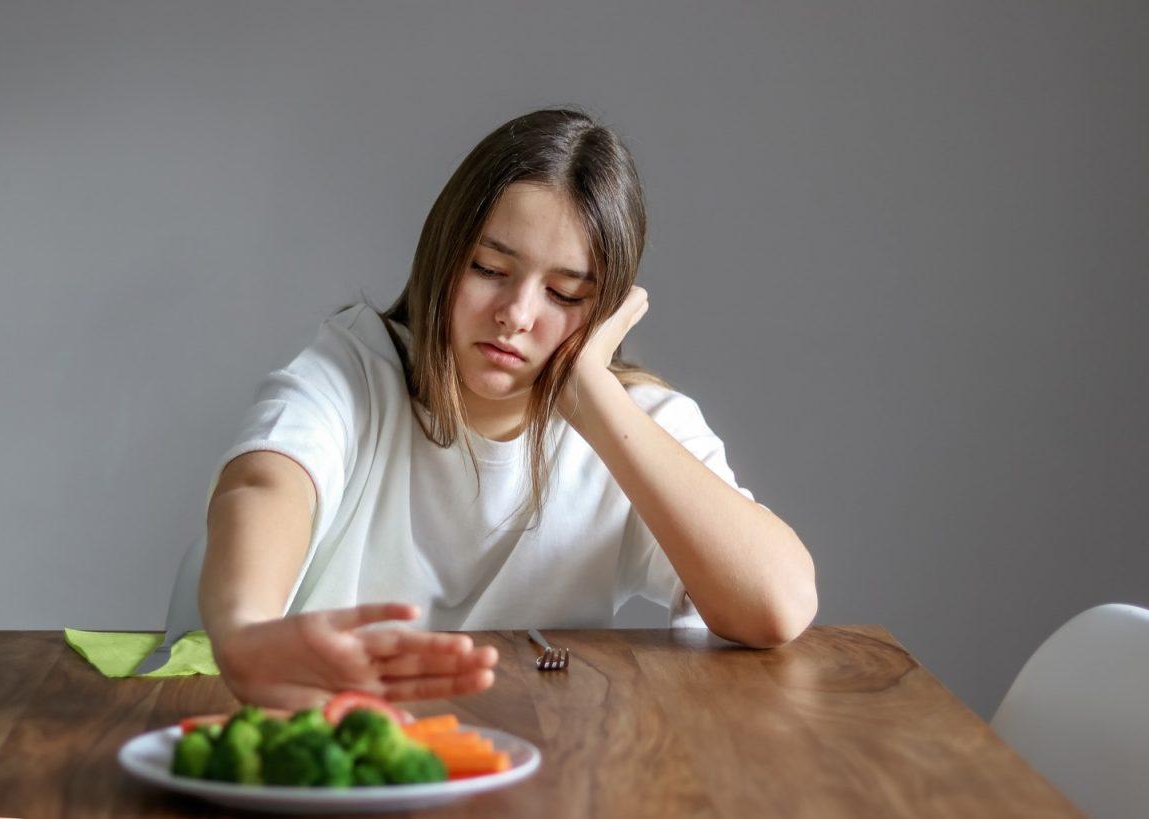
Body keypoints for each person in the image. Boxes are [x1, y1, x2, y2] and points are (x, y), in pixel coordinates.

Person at [198, 107, 818, 711]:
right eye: (490, 268)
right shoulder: (354, 366)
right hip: (323, 735)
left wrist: (592, 396)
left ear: (605, 309)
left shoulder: (632, 421)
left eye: (564, 293)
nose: (517, 315)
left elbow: (778, 605)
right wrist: (246, 629)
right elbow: (264, 483)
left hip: (534, 764)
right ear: (443, 253)